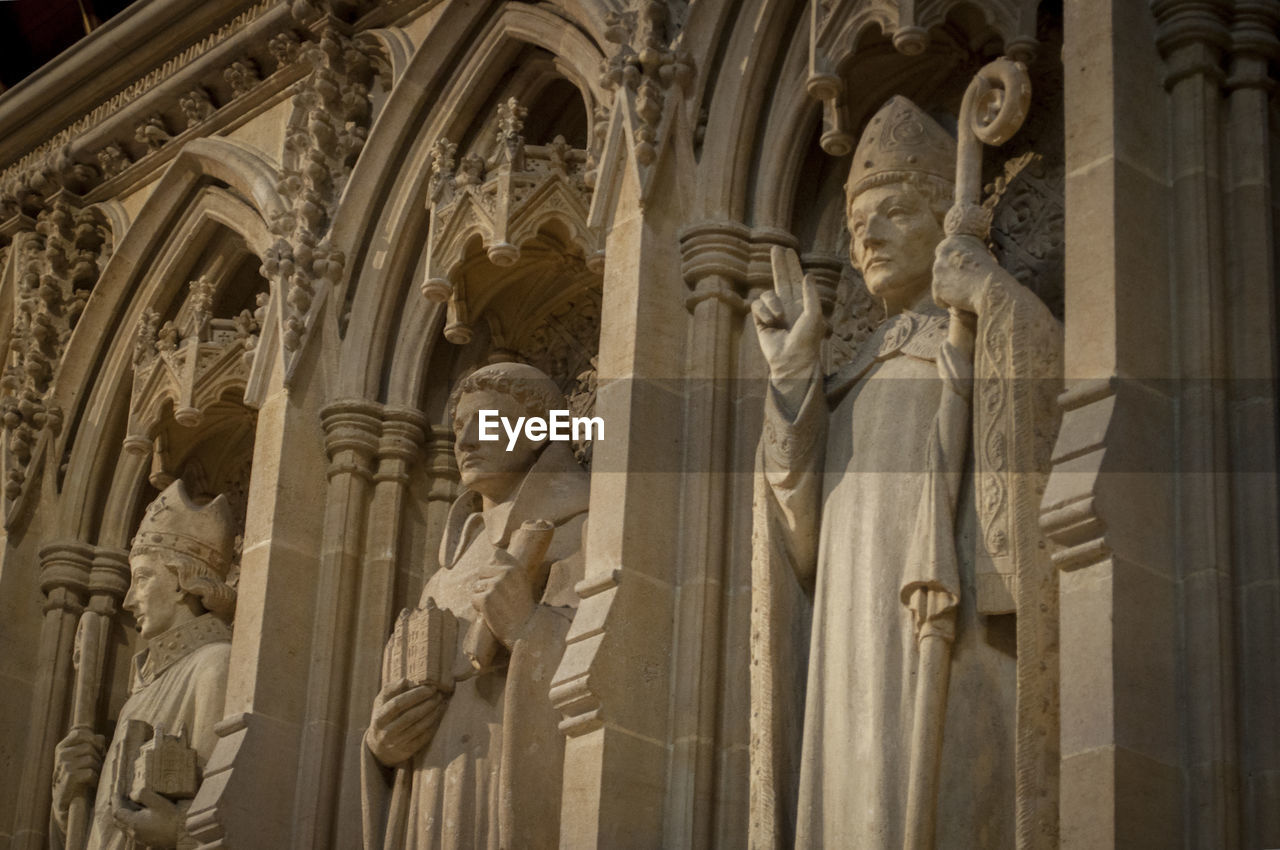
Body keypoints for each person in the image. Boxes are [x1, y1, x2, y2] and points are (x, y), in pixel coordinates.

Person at [749, 96, 1061, 847]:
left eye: (893, 213)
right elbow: (800, 534)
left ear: (941, 218)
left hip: (943, 612)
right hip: (849, 631)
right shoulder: (849, 376)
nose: (870, 238)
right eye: (858, 228)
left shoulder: (981, 330)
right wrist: (793, 377)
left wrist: (987, 293)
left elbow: (1055, 397)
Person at [361, 362, 589, 850]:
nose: (463, 443)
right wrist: (382, 742)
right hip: (433, 786)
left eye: (484, 424)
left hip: (508, 770)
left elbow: (623, 665)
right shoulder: (443, 576)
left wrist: (528, 628)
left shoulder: (581, 530)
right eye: (459, 429)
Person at [52, 481, 237, 850]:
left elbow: (225, 814)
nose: (129, 600)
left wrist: (179, 833)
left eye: (142, 578)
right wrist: (69, 794)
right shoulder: (140, 694)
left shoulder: (214, 666)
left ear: (185, 581)